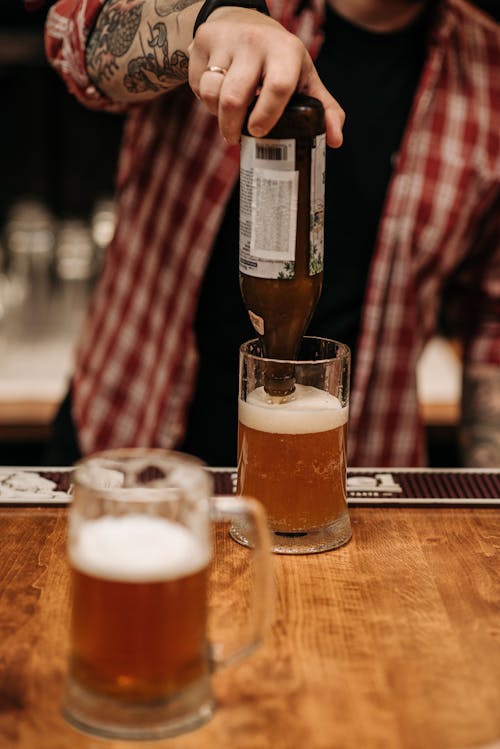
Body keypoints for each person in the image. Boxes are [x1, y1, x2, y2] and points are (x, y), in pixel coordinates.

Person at [44, 0, 500, 468]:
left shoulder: (490, 69)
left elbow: (493, 324)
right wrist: (210, 19)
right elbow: (73, 42)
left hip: (352, 485)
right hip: (128, 457)